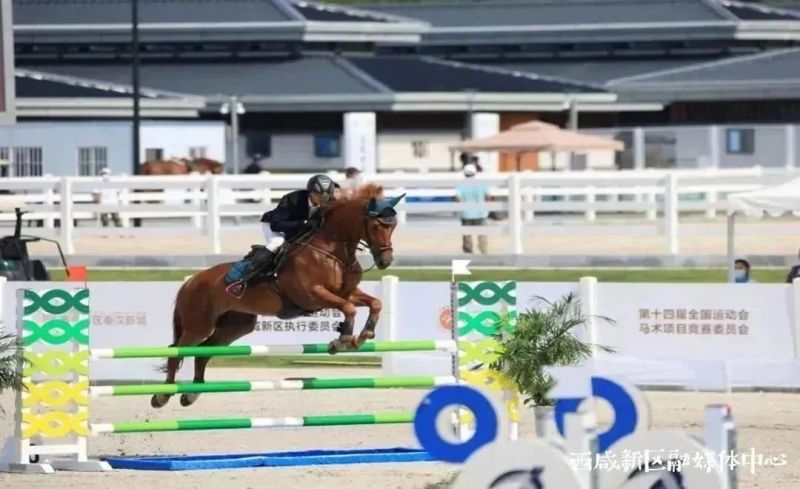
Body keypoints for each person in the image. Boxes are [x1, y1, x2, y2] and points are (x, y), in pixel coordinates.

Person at [225, 174, 339, 298]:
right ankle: (243, 279)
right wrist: (304, 223)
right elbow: (276, 225)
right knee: (277, 242)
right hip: (274, 225)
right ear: (310, 193)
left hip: (299, 230)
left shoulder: (329, 203)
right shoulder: (292, 199)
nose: (323, 200)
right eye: (319, 196)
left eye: (326, 197)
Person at [454, 163, 488, 254]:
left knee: (467, 234)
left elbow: (457, 198)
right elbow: (487, 196)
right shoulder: (482, 183)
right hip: (481, 213)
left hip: (466, 213)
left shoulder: (461, 184)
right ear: (475, 172)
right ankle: (483, 250)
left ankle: (468, 251)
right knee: (482, 233)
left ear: (464, 173)